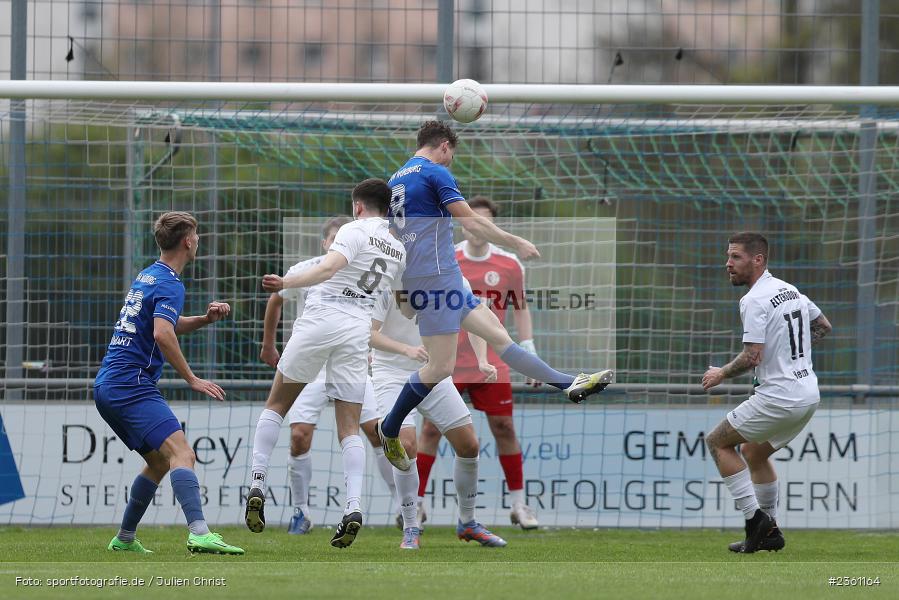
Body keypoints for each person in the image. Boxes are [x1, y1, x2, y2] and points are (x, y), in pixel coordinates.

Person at [377, 120, 614, 471]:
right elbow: (471, 223)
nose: (450, 163)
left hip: (437, 276)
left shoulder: (396, 178)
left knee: (499, 337)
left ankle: (568, 383)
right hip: (436, 278)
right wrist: (515, 241)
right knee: (440, 366)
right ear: (444, 146)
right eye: (451, 156)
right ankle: (390, 426)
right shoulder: (435, 172)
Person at [248, 178, 405, 549]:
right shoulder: (397, 247)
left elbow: (327, 270)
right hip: (356, 331)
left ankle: (257, 482)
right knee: (350, 427)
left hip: (322, 319)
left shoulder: (353, 230)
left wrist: (286, 280)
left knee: (276, 405)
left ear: (358, 206)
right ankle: (353, 506)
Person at [95, 211, 244, 555]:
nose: (198, 241)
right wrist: (191, 378)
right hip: (130, 384)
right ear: (188, 241)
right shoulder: (170, 283)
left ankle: (125, 539)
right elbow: (161, 333)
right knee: (182, 453)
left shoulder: (149, 275)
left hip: (110, 384)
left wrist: (206, 319)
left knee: (161, 461)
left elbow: (165, 324)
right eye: (197, 235)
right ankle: (199, 532)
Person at [702, 232, 832, 554]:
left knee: (717, 442)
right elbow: (824, 326)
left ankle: (755, 521)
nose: (728, 264)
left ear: (757, 259)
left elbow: (751, 357)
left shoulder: (754, 299)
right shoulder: (791, 291)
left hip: (780, 396)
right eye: (728, 256)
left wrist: (720, 373)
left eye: (736, 257)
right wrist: (790, 352)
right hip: (807, 394)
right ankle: (769, 532)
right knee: (754, 453)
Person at [417, 196, 539, 529]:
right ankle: (416, 504)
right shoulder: (447, 259)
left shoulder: (510, 265)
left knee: (504, 428)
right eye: (471, 220)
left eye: (484, 221)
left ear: (492, 227)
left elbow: (521, 308)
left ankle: (518, 505)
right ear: (462, 222)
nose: (475, 227)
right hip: (448, 359)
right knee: (430, 429)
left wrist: (528, 348)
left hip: (491, 363)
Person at [370, 280, 507, 549]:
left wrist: (482, 359)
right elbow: (369, 333)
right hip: (390, 376)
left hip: (433, 373)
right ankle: (411, 527)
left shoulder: (451, 275)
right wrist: (405, 349)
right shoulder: (388, 277)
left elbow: (474, 318)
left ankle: (468, 523)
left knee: (469, 444)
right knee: (406, 445)